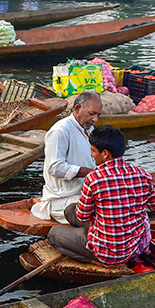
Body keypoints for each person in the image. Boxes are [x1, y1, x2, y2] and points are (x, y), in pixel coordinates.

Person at [47, 125, 155, 267]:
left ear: (105, 154)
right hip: (132, 247)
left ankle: (95, 261)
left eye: (93, 151)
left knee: (53, 233)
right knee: (69, 210)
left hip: (106, 253)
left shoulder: (93, 178)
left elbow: (83, 216)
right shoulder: (144, 175)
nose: (91, 154)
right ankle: (89, 236)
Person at [31, 91, 101, 224]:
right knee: (105, 211)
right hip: (63, 200)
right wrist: (89, 173)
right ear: (78, 109)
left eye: (98, 115)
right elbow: (54, 167)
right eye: (92, 114)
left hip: (84, 194)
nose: (95, 119)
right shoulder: (60, 131)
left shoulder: (90, 130)